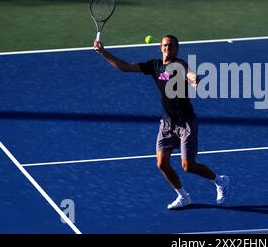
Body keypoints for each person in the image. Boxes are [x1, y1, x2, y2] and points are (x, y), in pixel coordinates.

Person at [93, 35, 230, 210]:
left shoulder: (179, 65)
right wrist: (103, 52)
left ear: (177, 49)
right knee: (162, 164)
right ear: (160, 48)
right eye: (165, 45)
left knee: (188, 166)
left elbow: (189, 74)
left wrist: (195, 80)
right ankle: (183, 196)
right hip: (167, 123)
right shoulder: (154, 66)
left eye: (171, 46)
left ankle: (220, 180)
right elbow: (126, 67)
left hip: (185, 124)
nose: (167, 48)